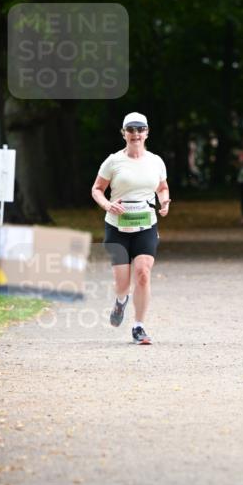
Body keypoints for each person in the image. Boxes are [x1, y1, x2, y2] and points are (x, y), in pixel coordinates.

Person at [91, 112, 170, 345]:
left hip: (146, 224)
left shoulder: (156, 161)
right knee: (123, 283)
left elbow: (163, 187)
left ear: (147, 132)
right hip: (117, 228)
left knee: (143, 274)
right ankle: (121, 299)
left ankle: (139, 326)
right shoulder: (113, 161)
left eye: (140, 129)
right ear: (124, 133)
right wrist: (107, 204)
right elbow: (97, 189)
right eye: (131, 130)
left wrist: (164, 201)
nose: (135, 134)